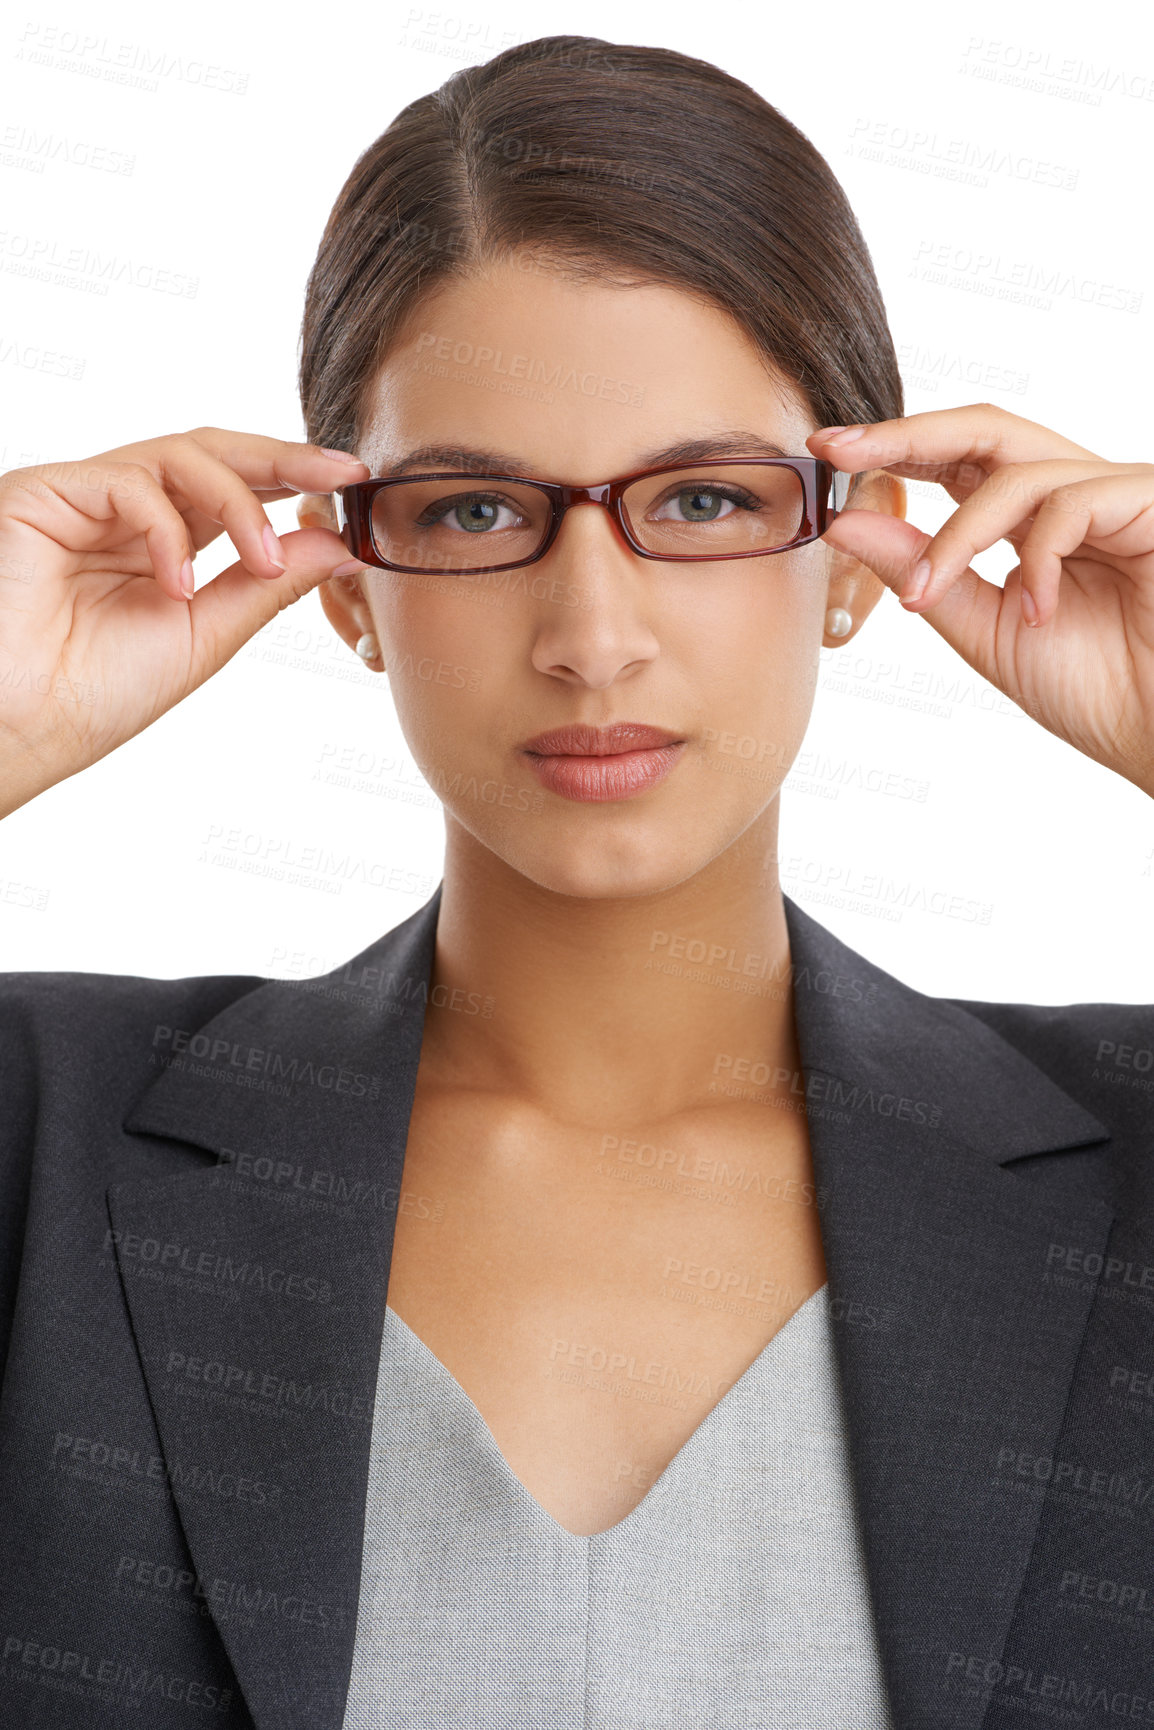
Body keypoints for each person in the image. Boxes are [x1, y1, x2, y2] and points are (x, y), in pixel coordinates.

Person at [1, 31, 1152, 1730]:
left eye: (701, 496)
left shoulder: (1122, 1154)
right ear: (344, 579)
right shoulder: (46, 1141)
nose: (590, 636)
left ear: (853, 549)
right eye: (471, 511)